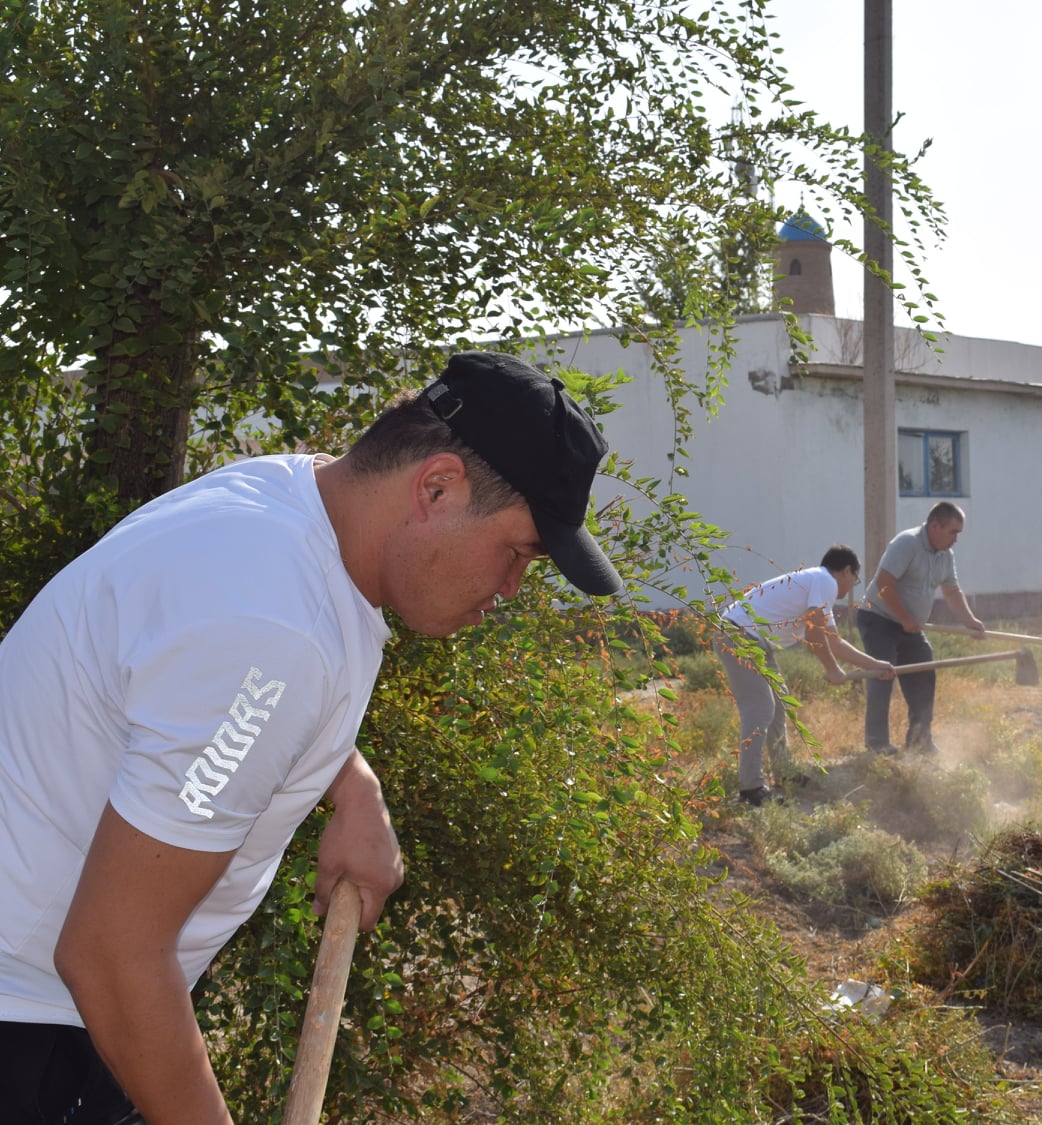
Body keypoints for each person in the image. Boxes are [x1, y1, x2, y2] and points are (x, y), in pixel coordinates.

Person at [0, 352, 623, 1125]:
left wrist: (354, 785)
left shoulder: (289, 503)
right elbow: (109, 954)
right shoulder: (273, 624)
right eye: (519, 553)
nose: (509, 590)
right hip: (37, 1023)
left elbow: (202, 695)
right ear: (435, 486)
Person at [715, 547, 895, 806]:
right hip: (739, 635)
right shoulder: (824, 581)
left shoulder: (817, 588)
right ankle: (750, 789)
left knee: (779, 701)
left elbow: (834, 641)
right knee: (761, 707)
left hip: (750, 639)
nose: (850, 587)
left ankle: (784, 772)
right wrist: (832, 670)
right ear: (845, 571)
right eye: (853, 579)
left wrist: (875, 664)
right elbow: (813, 633)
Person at [855, 501, 986, 755]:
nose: (956, 539)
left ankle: (919, 741)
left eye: (958, 533)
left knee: (924, 673)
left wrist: (970, 622)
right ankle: (877, 743)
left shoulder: (945, 555)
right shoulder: (907, 544)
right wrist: (905, 617)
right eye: (953, 532)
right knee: (883, 675)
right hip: (878, 619)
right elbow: (883, 582)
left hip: (909, 627)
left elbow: (951, 590)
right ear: (935, 526)